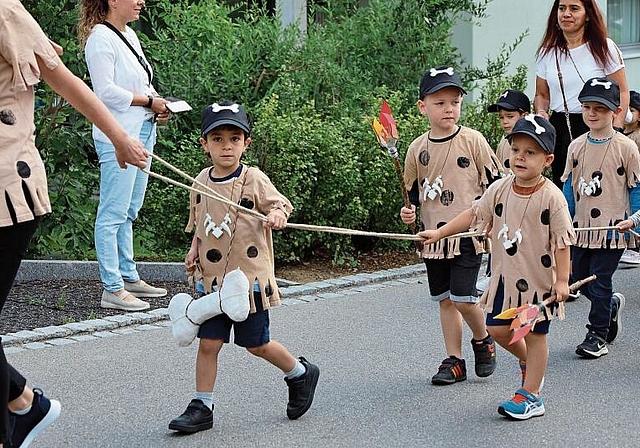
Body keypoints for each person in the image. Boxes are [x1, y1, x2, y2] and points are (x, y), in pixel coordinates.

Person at [0, 1, 148, 446]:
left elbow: (67, 83)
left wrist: (121, 137)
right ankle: (23, 406)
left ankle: (23, 409)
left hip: (8, 190)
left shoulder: (5, 11)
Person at [168, 101, 319, 434]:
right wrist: (193, 249)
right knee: (209, 343)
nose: (226, 146)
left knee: (256, 345)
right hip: (212, 284)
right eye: (218, 138)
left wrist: (278, 215)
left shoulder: (254, 179)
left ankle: (299, 373)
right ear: (204, 144)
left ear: (246, 143)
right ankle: (201, 406)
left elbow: (278, 204)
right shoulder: (200, 181)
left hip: (247, 283)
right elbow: (202, 224)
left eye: (234, 138)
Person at [419, 115, 574, 420]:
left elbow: (562, 242)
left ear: (548, 159)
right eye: (516, 149)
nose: (520, 157)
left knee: (534, 335)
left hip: (538, 283)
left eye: (530, 152)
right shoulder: (501, 189)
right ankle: (530, 365)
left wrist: (563, 281)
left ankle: (531, 396)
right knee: (496, 329)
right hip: (504, 279)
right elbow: (473, 214)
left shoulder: (552, 197)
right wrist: (439, 233)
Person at [400, 66, 503, 386]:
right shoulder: (417, 149)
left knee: (462, 298)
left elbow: (497, 186)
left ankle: (483, 337)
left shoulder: (473, 140)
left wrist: (495, 219)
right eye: (440, 102)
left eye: (455, 101)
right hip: (433, 237)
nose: (449, 108)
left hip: (469, 236)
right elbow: (412, 195)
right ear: (423, 107)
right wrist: (408, 214)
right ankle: (454, 360)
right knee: (445, 300)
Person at [79, 0, 170, 311]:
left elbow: (142, 84)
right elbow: (104, 93)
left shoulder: (130, 35)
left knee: (130, 208)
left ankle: (129, 276)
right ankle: (112, 288)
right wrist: (148, 101)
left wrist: (157, 104)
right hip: (117, 136)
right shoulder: (99, 39)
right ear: (112, 1)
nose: (141, 1)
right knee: (112, 213)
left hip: (143, 130)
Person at [561, 77, 640, 357]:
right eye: (587, 107)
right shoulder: (576, 146)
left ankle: (597, 335)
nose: (592, 114)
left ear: (616, 111)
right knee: (580, 279)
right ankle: (610, 306)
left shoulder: (626, 147)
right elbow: (569, 187)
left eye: (600, 108)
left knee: (599, 279)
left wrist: (635, 218)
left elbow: (635, 186)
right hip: (582, 228)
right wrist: (562, 218)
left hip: (612, 229)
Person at [534, 0, 629, 189]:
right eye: (562, 8)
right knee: (564, 187)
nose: (566, 14)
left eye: (574, 8)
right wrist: (541, 113)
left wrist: (616, 129)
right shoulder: (547, 52)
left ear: (587, 15)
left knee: (601, 188)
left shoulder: (604, 47)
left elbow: (622, 91)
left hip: (599, 124)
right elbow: (542, 95)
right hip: (560, 127)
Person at [619, 90, 640, 265]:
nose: (627, 114)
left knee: (635, 210)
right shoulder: (619, 135)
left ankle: (635, 247)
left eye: (631, 110)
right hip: (623, 181)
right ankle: (627, 244)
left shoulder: (638, 136)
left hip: (637, 179)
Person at [488, 89, 531, 170]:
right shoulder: (503, 143)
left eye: (510, 116)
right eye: (501, 117)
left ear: (525, 116)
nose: (504, 121)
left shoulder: (534, 143)